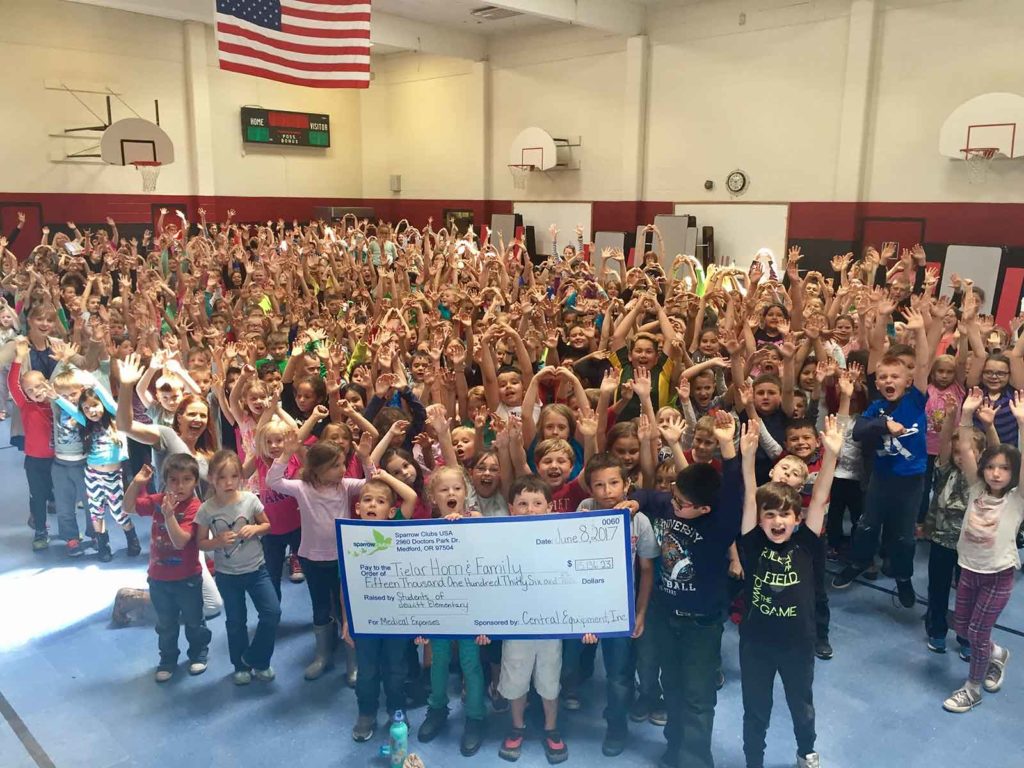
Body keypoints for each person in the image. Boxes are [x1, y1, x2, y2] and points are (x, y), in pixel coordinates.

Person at [739, 416, 842, 768]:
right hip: (756, 643)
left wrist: (830, 457)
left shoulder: (807, 543)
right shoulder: (751, 543)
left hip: (798, 642)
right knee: (756, 709)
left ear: (797, 519)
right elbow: (751, 500)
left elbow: (820, 499)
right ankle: (754, 760)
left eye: (786, 515)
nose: (778, 522)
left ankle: (806, 751)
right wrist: (747, 460)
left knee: (801, 703)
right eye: (770, 515)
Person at [642, 409, 742, 768]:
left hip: (701, 624)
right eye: (673, 496)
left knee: (698, 698)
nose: (672, 504)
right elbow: (645, 496)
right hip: (667, 618)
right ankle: (675, 749)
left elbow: (734, 492)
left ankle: (696, 760)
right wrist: (632, 502)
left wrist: (729, 446)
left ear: (703, 509)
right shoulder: (671, 505)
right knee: (673, 688)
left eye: (681, 504)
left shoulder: (720, 526)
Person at [834, 306, 933, 607]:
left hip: (910, 481)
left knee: (903, 536)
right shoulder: (875, 407)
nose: (890, 380)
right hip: (880, 478)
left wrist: (919, 332)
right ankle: (859, 561)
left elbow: (925, 363)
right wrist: (883, 424)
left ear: (907, 381)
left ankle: (903, 578)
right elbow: (859, 431)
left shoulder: (916, 401)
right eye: (884, 377)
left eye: (896, 376)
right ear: (877, 384)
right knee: (866, 525)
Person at [268, 431, 375, 681]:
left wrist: (366, 458)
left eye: (341, 464)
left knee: (345, 609)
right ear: (317, 469)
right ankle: (322, 656)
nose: (342, 469)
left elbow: (371, 482)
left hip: (342, 558)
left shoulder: (345, 486)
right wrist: (286, 453)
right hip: (312, 558)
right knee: (320, 607)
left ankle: (352, 661)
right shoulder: (303, 487)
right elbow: (273, 481)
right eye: (335, 466)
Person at [942, 388, 1024, 713]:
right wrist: (965, 415)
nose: (996, 473)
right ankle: (997, 654)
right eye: (991, 466)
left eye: (1004, 468)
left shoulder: (1016, 500)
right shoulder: (976, 487)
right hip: (969, 570)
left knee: (977, 632)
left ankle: (972, 687)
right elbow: (965, 448)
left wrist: (1021, 424)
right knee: (961, 628)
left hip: (998, 575)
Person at [490, 475, 568, 765]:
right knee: (515, 677)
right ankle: (517, 726)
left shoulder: (563, 536)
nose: (530, 509)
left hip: (551, 623)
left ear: (550, 507)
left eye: (537, 503)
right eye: (522, 503)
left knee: (550, 677)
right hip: (516, 624)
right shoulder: (500, 538)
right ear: (511, 507)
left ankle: (551, 728)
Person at [415, 466, 488, 757]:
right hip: (439, 608)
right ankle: (437, 708)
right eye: (444, 490)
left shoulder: (477, 520)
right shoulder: (423, 528)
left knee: (471, 664)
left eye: (457, 488)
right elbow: (416, 574)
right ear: (434, 497)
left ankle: (475, 716)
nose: (451, 494)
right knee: (439, 662)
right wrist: (419, 620)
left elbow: (489, 557)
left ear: (466, 492)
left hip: (472, 608)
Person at [124, 456, 211, 682]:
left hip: (187, 579)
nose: (179, 486)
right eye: (173, 480)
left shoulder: (195, 507)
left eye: (186, 480)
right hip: (158, 579)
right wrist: (137, 483)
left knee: (194, 621)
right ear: (165, 482)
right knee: (165, 624)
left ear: (195, 482)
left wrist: (169, 515)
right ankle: (168, 660)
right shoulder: (160, 500)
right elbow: (129, 506)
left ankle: (198, 653)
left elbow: (180, 541)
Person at [196, 450, 279, 685]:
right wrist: (217, 542)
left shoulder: (250, 500)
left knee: (272, 613)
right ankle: (240, 666)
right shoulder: (207, 509)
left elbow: (267, 525)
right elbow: (200, 542)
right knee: (235, 621)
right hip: (227, 575)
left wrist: (255, 529)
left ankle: (258, 658)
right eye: (222, 477)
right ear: (211, 478)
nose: (229, 482)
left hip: (257, 570)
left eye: (234, 476)